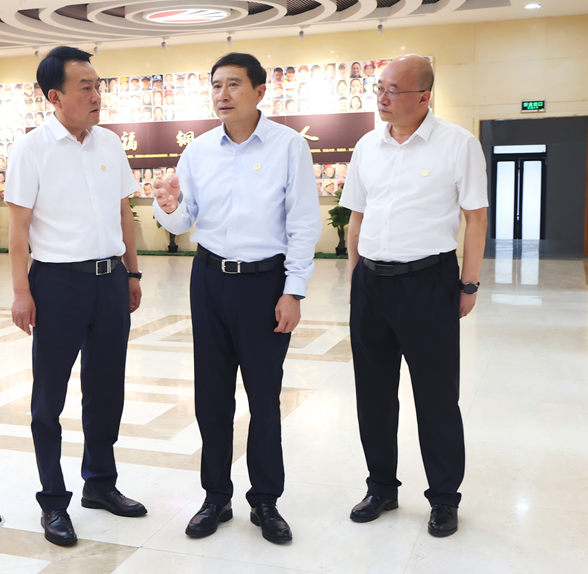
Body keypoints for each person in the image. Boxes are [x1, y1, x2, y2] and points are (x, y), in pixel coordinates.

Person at [153, 52, 321, 545]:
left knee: (264, 398)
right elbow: (184, 220)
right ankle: (215, 496)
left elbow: (303, 222)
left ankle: (265, 500)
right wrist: (168, 207)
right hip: (209, 279)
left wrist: (293, 290)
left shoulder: (289, 146)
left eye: (232, 85)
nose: (221, 95)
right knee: (211, 396)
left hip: (265, 284)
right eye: (215, 86)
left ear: (259, 91)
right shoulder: (198, 150)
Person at [340, 54, 488, 538]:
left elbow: (476, 219)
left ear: (424, 96)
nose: (382, 97)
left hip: (429, 283)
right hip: (371, 283)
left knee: (436, 397)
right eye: (379, 88)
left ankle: (444, 499)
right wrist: (354, 276)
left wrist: (468, 283)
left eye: (393, 90)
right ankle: (381, 487)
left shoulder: (459, 144)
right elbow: (356, 216)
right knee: (373, 396)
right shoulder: (368, 145)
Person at [5, 46, 146, 549]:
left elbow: (124, 213)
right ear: (55, 96)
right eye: (85, 87)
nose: (96, 95)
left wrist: (132, 272)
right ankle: (53, 500)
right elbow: (17, 229)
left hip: (109, 281)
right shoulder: (31, 149)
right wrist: (21, 292)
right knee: (49, 398)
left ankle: (100, 484)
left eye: (98, 85)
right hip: (57, 285)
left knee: (106, 390)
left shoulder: (109, 143)